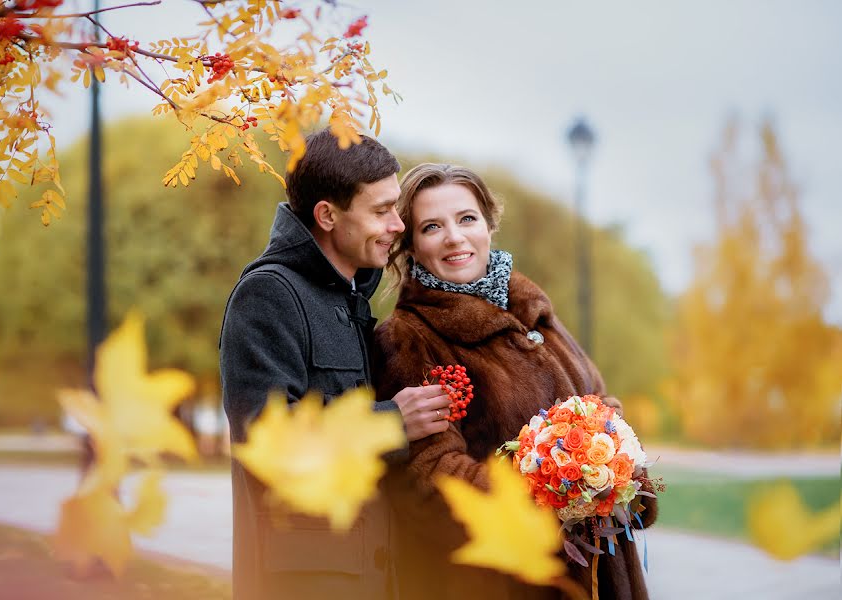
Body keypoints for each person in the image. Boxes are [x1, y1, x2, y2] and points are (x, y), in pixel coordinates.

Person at [373, 163, 658, 600]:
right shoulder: (408, 339)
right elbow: (429, 476)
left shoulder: (531, 308)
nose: (454, 236)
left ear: (489, 224)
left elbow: (599, 399)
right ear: (411, 244)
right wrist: (545, 510)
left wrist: (613, 469)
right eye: (432, 226)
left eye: (466, 218)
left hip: (604, 569)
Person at [219, 130, 451, 600]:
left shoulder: (350, 300)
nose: (398, 225)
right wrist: (391, 423)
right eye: (381, 210)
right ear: (327, 215)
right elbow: (269, 443)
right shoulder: (268, 295)